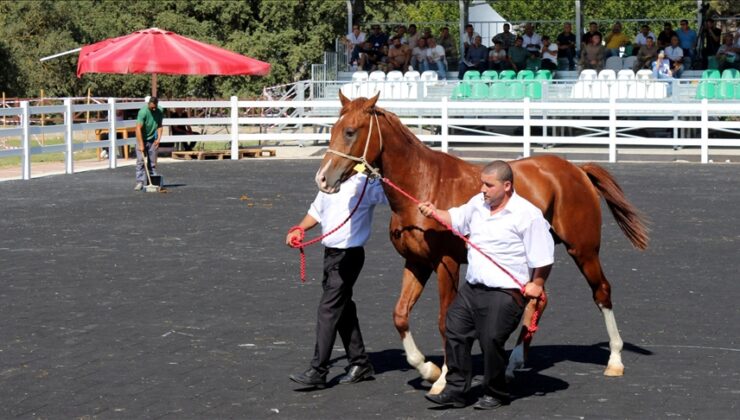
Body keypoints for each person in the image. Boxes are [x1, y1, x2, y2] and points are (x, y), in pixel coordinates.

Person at [418, 160, 554, 410]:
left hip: (505, 292)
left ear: (507, 186)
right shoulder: (477, 205)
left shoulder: (528, 215)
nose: (482, 189)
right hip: (473, 289)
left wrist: (537, 283)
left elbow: (543, 256)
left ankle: (496, 392)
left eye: (488, 185)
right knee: (454, 327)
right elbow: (456, 218)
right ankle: (456, 389)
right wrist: (435, 212)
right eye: (482, 183)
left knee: (491, 338)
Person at [286, 173, 388, 388]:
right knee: (343, 309)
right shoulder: (329, 182)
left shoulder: (365, 184)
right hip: (330, 256)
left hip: (349, 256)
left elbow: (391, 195)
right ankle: (360, 363)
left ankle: (318, 370)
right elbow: (316, 211)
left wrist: (381, 175)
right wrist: (300, 228)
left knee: (328, 309)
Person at [134, 96, 163, 191]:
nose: (154, 109)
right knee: (140, 161)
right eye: (152, 107)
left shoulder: (159, 111)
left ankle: (153, 181)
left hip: (152, 140)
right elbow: (138, 128)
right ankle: (140, 182)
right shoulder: (143, 112)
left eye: (155, 106)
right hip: (141, 138)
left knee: (153, 162)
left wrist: (158, 139)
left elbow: (159, 126)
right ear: (148, 104)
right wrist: (141, 144)